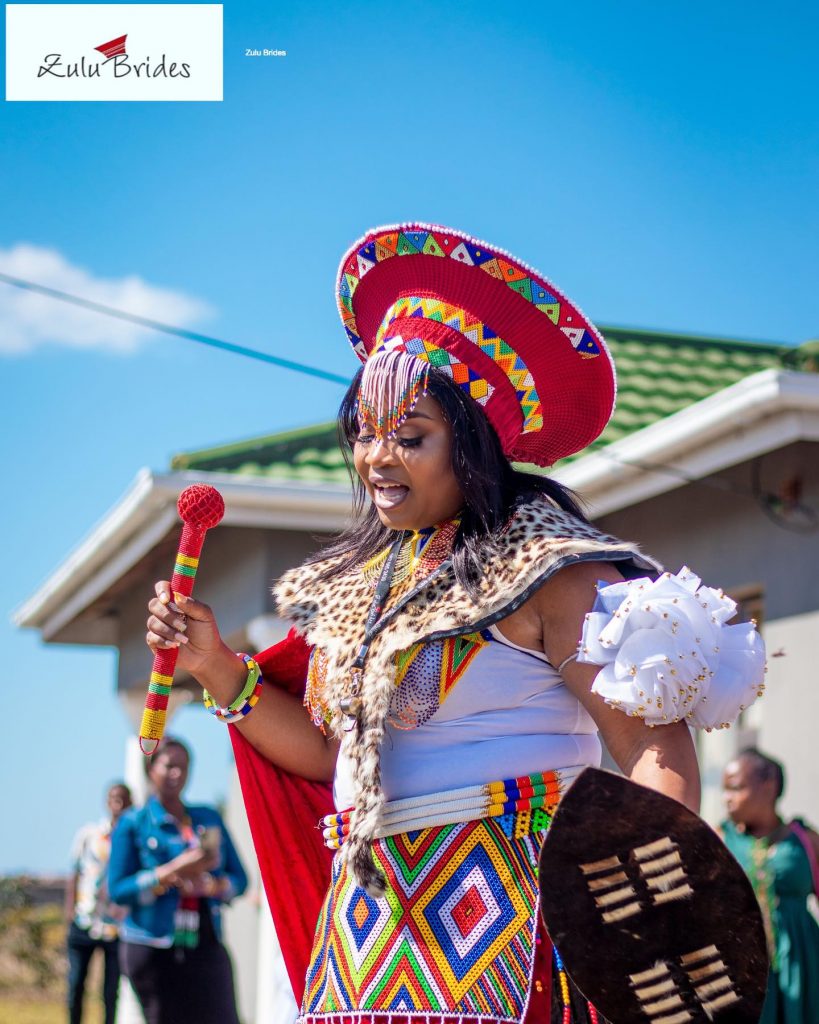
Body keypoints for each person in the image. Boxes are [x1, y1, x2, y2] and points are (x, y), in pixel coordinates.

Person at [145, 222, 767, 1023]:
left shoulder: (552, 569)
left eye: (408, 437)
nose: (375, 458)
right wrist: (218, 669)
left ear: (468, 442)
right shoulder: (361, 591)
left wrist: (654, 905)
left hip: (516, 907)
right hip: (368, 927)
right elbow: (334, 757)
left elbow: (649, 742)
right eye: (363, 434)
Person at [107, 735, 248, 1024]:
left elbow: (240, 879)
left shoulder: (206, 818)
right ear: (150, 770)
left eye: (184, 767)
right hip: (153, 944)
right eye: (169, 766)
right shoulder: (134, 823)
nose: (177, 774)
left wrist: (211, 886)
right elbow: (118, 890)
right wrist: (171, 872)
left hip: (204, 940)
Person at [722, 748, 819, 1023]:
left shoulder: (806, 841)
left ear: (768, 786)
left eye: (735, 788)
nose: (725, 799)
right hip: (741, 966)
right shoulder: (719, 840)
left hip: (802, 965)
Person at [66, 781, 132, 1024]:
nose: (118, 803)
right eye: (114, 798)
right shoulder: (88, 835)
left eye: (123, 799)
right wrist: (69, 912)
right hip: (84, 920)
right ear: (106, 801)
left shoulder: (130, 838)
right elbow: (74, 873)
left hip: (114, 926)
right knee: (76, 985)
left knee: (110, 992)